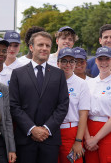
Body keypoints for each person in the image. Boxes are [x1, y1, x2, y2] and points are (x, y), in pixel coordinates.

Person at [9, 31, 69, 163]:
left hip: (50, 139)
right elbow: (13, 105)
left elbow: (63, 105)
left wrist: (46, 128)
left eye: (47, 45)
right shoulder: (18, 74)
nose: (44, 48)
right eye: (40, 44)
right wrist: (32, 129)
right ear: (31, 47)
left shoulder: (58, 74)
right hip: (25, 139)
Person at [84, 46, 111, 163]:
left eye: (107, 59)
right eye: (100, 59)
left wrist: (96, 138)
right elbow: (83, 113)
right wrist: (88, 138)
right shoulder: (89, 83)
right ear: (96, 61)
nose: (104, 63)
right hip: (89, 129)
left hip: (109, 131)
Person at [56, 47, 90, 163]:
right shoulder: (51, 81)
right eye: (64, 61)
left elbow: (83, 115)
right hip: (53, 132)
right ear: (58, 63)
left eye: (71, 61)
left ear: (75, 64)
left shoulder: (81, 84)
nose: (68, 64)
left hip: (71, 132)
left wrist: (78, 141)